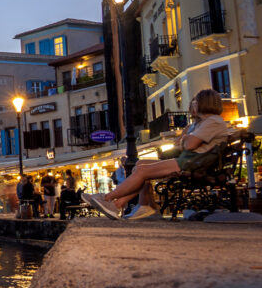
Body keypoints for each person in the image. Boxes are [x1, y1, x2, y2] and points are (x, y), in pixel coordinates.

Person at [84, 89, 231, 220]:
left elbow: (189, 145)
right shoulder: (202, 123)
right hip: (190, 160)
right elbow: (181, 144)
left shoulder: (213, 122)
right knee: (140, 164)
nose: (192, 105)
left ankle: (108, 199)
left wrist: (185, 139)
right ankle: (127, 205)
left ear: (205, 103)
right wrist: (185, 140)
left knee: (142, 171)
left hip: (194, 163)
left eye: (195, 102)